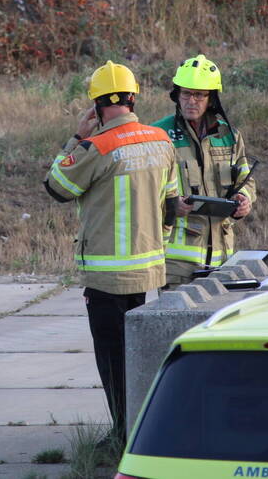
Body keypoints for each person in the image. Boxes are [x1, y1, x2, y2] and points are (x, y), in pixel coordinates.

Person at [43, 61, 179, 447]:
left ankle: (124, 434)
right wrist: (159, 243)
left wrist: (75, 137)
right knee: (139, 357)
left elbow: (56, 187)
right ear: (133, 98)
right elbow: (171, 204)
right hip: (149, 271)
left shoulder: (96, 146)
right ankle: (144, 427)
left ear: (97, 105)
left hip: (106, 277)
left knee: (114, 362)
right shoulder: (160, 139)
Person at [152, 54, 257, 287]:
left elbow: (246, 179)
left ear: (211, 99)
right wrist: (170, 206)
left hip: (223, 260)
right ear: (177, 96)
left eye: (199, 95)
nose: (192, 101)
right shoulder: (159, 135)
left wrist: (244, 199)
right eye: (186, 93)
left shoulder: (229, 135)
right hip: (177, 264)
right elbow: (142, 191)